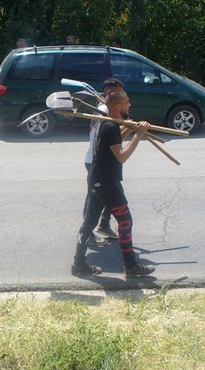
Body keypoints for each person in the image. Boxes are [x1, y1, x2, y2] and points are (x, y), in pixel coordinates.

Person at [73, 90, 155, 278]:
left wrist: (131, 129)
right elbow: (121, 156)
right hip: (106, 182)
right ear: (118, 106)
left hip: (98, 180)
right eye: (127, 102)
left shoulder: (109, 125)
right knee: (125, 221)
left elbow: (116, 140)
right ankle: (131, 267)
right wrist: (138, 136)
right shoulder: (109, 127)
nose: (130, 105)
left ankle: (78, 265)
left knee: (89, 223)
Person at [83, 78, 125, 245]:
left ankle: (103, 225)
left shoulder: (107, 108)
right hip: (97, 160)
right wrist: (132, 129)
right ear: (109, 92)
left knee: (108, 196)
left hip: (107, 159)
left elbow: (116, 133)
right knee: (96, 199)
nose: (123, 94)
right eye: (119, 91)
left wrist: (130, 126)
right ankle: (87, 233)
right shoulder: (103, 110)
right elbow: (111, 132)